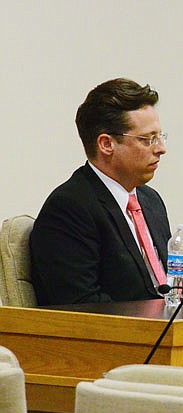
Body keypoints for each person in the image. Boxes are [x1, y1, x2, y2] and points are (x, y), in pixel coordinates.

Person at [30, 78, 171, 306]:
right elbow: (82, 304)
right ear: (106, 144)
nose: (161, 149)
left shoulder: (150, 200)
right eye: (148, 139)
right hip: (120, 336)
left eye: (160, 137)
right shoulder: (69, 208)